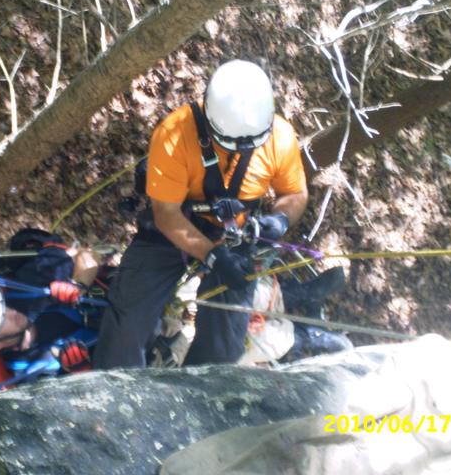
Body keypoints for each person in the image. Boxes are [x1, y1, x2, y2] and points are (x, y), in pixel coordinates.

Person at [94, 60, 311, 368]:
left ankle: (196, 397)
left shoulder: (280, 137)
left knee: (222, 350)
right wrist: (211, 255)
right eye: (229, 144)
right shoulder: (174, 134)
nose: (237, 152)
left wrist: (278, 220)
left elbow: (296, 193)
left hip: (236, 237)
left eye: (248, 145)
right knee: (125, 331)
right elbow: (166, 214)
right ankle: (116, 395)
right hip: (172, 231)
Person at [0, 230, 101, 372]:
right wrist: (83, 370)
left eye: (2, 308)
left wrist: (78, 286)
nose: (10, 312)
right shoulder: (26, 368)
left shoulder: (28, 287)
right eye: (1, 320)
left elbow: (87, 254)